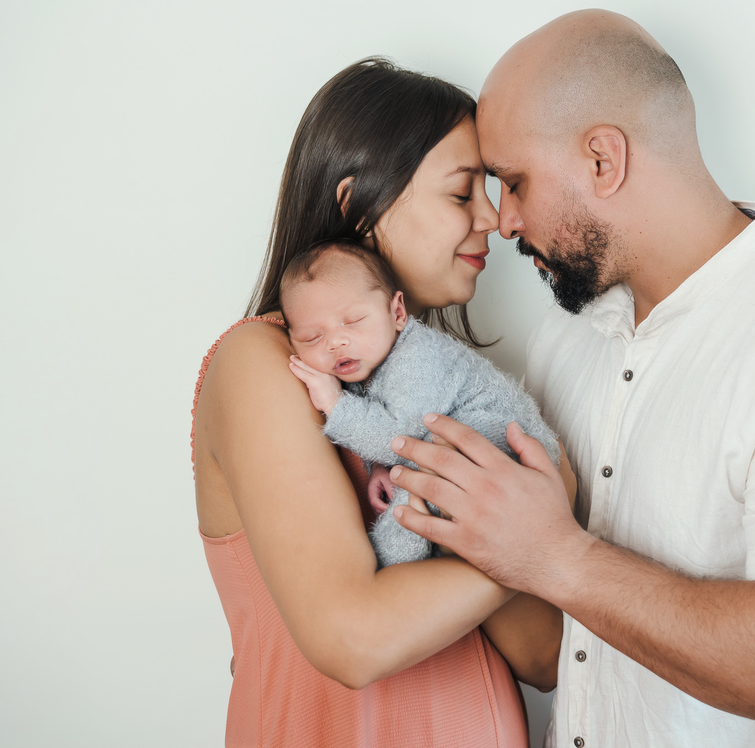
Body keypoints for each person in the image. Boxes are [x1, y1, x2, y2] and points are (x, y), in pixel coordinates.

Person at [387, 10, 755, 747]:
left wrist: (558, 557)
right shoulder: (567, 339)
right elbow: (560, 652)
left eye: (514, 182)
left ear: (603, 160)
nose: (504, 220)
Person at [192, 57, 572, 747]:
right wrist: (534, 542)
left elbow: (544, 655)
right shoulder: (261, 364)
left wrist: (525, 541)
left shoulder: (444, 390)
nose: (494, 218)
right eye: (461, 192)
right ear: (356, 203)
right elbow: (354, 639)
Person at [279, 239, 560, 567]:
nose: (335, 342)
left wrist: (334, 402)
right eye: (312, 338)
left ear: (397, 313)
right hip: (466, 458)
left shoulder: (419, 355)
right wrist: (380, 466)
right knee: (418, 490)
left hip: (510, 452)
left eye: (353, 321)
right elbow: (387, 428)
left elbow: (400, 439)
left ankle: (387, 574)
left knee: (412, 504)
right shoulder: (367, 360)